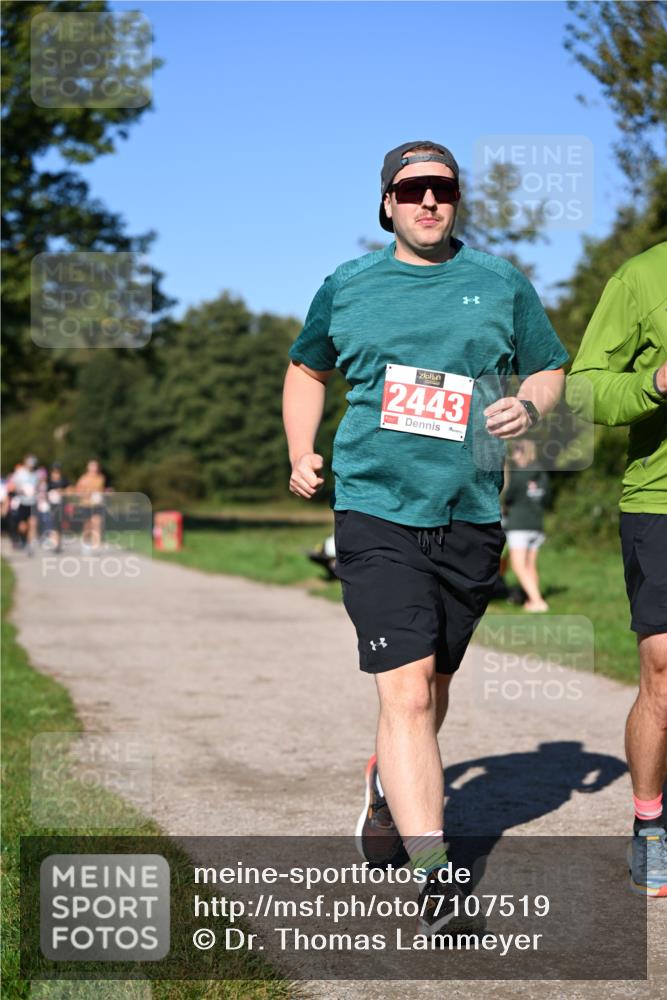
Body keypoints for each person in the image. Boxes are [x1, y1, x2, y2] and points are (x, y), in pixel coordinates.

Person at [282, 140, 568, 935]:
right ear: (387, 205)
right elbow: (307, 369)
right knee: (404, 689)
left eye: (442, 189)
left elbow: (549, 367)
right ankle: (436, 874)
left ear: (456, 201)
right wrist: (300, 449)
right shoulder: (348, 286)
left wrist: (532, 406)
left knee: (430, 688)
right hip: (374, 508)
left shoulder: (499, 283)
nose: (428, 202)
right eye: (412, 191)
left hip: (471, 515)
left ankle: (385, 784)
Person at [567, 242, 667, 897]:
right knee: (664, 668)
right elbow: (581, 390)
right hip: (661, 501)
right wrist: (654, 384)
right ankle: (650, 824)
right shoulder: (641, 276)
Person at [502, 438, 551, 612]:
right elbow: (546, 498)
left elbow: (508, 497)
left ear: (521, 452)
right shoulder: (541, 473)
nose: (513, 456)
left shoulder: (519, 473)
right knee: (530, 565)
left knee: (517, 565)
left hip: (519, 524)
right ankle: (531, 600)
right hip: (537, 523)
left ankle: (537, 601)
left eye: (515, 451)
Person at [73, 459, 107, 550]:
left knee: (97, 523)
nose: (94, 468)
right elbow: (78, 492)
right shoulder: (83, 478)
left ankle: (96, 545)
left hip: (97, 504)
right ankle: (86, 543)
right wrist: (87, 493)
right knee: (87, 525)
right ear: (88, 467)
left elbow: (102, 490)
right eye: (92, 466)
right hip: (86, 504)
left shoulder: (101, 478)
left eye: (95, 466)